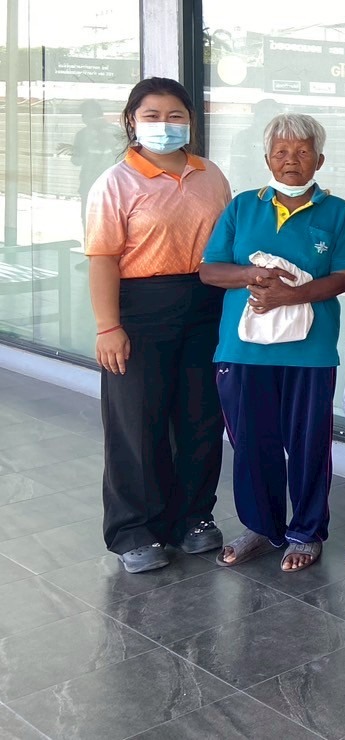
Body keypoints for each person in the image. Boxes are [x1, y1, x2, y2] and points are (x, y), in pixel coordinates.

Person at [83, 78, 232, 573]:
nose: (165, 125)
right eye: (152, 115)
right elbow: (102, 258)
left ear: (190, 121)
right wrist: (108, 326)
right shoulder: (115, 182)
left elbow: (226, 243)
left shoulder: (210, 175)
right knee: (137, 421)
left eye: (175, 116)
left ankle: (193, 518)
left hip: (205, 303)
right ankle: (134, 529)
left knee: (200, 417)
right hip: (140, 308)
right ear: (132, 121)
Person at [200, 113, 345, 572]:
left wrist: (293, 295)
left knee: (308, 444)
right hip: (242, 350)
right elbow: (209, 270)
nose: (292, 160)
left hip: (310, 352)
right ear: (267, 158)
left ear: (319, 160)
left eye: (303, 151)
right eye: (282, 152)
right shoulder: (242, 207)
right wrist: (251, 274)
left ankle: (306, 532)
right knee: (251, 443)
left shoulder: (337, 212)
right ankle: (260, 527)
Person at [70, 99, 122, 229]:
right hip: (102, 185)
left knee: (94, 221)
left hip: (104, 186)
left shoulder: (84, 134)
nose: (83, 119)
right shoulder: (115, 131)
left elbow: (76, 161)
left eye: (84, 115)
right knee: (99, 222)